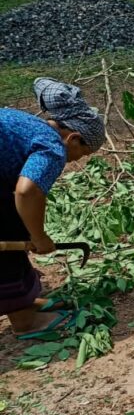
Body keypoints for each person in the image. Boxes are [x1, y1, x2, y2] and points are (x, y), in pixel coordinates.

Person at [1, 78, 105, 340]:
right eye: (84, 153)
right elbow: (28, 191)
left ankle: (24, 302)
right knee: (8, 232)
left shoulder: (31, 125)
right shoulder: (53, 147)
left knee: (13, 219)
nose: (76, 160)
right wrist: (39, 237)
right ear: (73, 138)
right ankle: (25, 321)